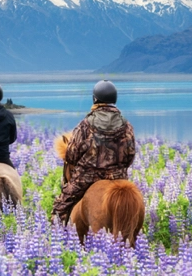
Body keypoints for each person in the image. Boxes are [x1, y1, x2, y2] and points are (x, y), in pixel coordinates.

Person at [51, 80, 137, 223]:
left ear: (95, 98)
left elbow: (71, 155)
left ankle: (58, 235)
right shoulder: (126, 125)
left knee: (61, 205)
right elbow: (130, 156)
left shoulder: (85, 124)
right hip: (119, 177)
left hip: (87, 177)